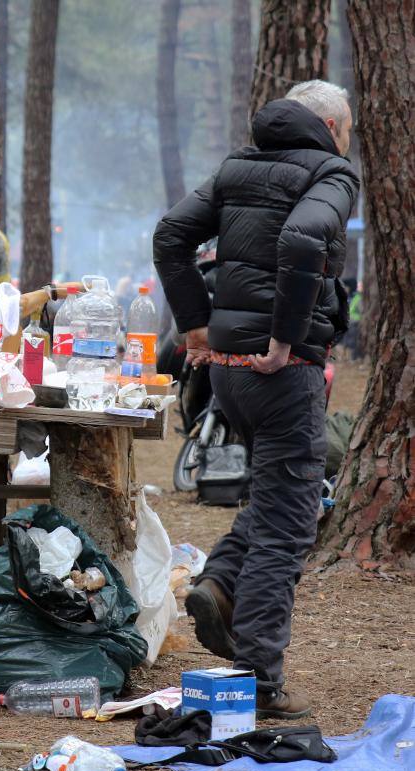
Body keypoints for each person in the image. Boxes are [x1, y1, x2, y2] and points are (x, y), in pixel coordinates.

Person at [154, 80, 359, 719]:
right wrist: (285, 336)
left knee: (277, 500)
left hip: (226, 376)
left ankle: (216, 583)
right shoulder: (331, 171)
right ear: (329, 126)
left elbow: (170, 236)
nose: (348, 140)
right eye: (347, 129)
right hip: (282, 371)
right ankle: (260, 679)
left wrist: (194, 325)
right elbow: (302, 242)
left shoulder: (238, 166)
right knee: (289, 526)